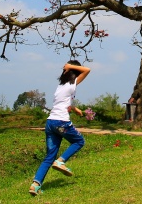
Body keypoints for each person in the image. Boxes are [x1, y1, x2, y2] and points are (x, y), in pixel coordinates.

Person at [29, 60, 91, 197]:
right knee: (79, 141)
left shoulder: (61, 86)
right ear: (75, 73)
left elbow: (63, 103)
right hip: (61, 122)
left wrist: (74, 109)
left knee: (49, 156)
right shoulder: (72, 83)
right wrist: (70, 67)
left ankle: (35, 185)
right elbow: (88, 70)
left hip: (50, 123)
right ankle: (61, 161)